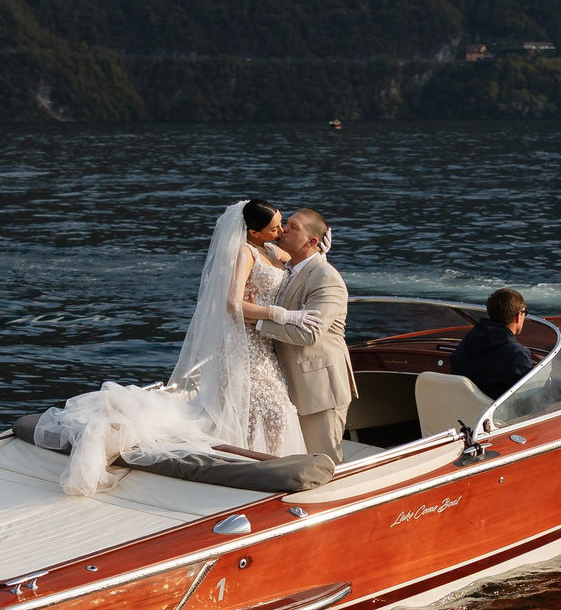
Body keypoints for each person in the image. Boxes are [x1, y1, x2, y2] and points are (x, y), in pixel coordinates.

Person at [38, 199, 308, 496]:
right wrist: (278, 313)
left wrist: (317, 252)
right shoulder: (244, 253)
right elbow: (232, 304)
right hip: (243, 344)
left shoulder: (271, 249)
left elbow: (299, 260)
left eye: (281, 223)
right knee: (270, 408)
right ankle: (267, 470)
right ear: (254, 233)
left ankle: (269, 465)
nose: (281, 230)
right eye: (274, 227)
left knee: (268, 409)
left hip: (263, 343)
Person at [243, 208, 354, 462]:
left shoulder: (327, 279)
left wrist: (258, 321)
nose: (283, 230)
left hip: (319, 392)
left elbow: (310, 334)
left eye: (292, 227)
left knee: (324, 462)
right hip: (285, 384)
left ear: (311, 242)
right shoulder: (286, 266)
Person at [448, 288, 536, 399]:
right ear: (518, 316)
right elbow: (529, 399)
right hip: (497, 415)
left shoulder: (466, 343)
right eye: (525, 313)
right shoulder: (517, 355)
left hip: (460, 410)